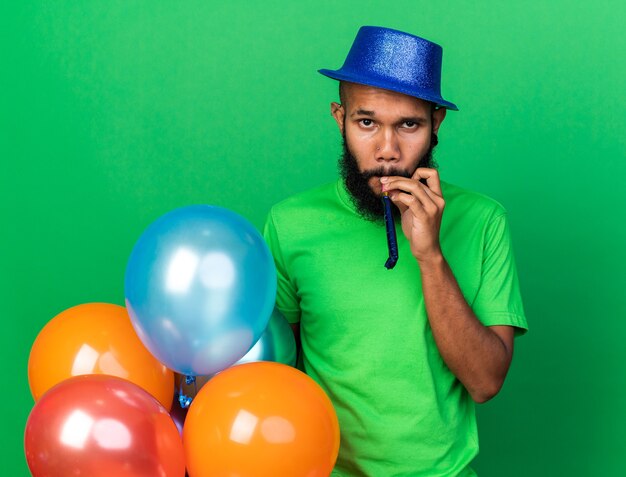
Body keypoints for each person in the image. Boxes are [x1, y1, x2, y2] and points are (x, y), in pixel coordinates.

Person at [263, 26, 527, 477]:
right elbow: (271, 377)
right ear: (338, 117)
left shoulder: (485, 221)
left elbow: (485, 382)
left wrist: (430, 256)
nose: (387, 152)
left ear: (436, 123)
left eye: (409, 124)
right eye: (367, 123)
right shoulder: (289, 224)